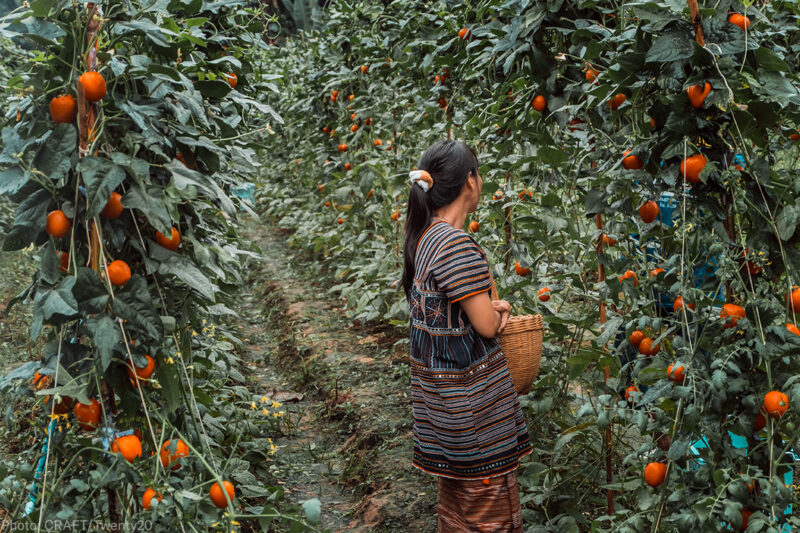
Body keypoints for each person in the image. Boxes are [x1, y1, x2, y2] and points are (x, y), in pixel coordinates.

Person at [400, 140, 532, 532]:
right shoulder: (455, 245)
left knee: (460, 518)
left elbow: (453, 316)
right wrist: (499, 310)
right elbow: (487, 326)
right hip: (477, 421)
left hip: (445, 415)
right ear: (469, 182)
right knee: (492, 520)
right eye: (478, 173)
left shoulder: (426, 238)